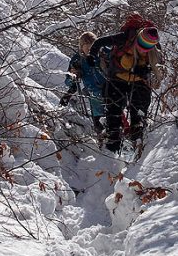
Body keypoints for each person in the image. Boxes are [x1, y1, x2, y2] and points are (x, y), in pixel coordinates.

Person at [88, 13, 163, 155]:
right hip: (117, 78)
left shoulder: (154, 50)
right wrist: (91, 55)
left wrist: (146, 72)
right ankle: (111, 150)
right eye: (142, 44)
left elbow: (158, 71)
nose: (143, 48)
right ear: (138, 37)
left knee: (139, 115)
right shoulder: (124, 38)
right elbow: (99, 43)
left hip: (139, 82)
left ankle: (139, 148)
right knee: (113, 114)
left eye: (148, 47)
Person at [60, 32, 107, 142]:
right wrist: (74, 75)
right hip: (94, 96)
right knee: (99, 125)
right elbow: (68, 81)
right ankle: (105, 150)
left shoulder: (104, 55)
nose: (91, 50)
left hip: (110, 91)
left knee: (114, 122)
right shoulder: (78, 59)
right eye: (88, 48)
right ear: (82, 47)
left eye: (94, 46)